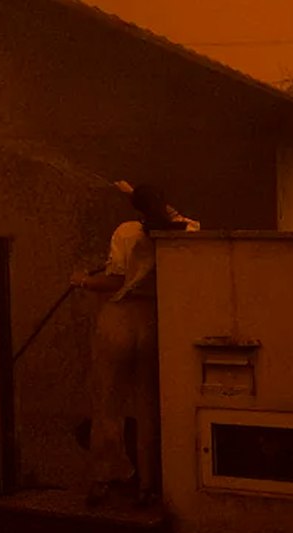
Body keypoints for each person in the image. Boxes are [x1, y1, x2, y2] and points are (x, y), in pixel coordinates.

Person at [71, 182, 197, 506]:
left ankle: (103, 478)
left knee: (108, 404)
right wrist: (139, 196)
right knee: (149, 408)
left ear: (137, 208)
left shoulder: (126, 232)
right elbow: (171, 216)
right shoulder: (185, 230)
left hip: (120, 318)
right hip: (154, 320)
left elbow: (115, 280)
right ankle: (148, 485)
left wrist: (82, 280)